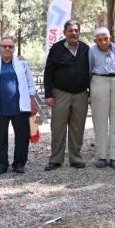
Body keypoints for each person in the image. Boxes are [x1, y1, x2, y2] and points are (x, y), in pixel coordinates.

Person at [0, 37, 35, 175]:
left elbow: (31, 85)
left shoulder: (22, 65)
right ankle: (0, 165)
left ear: (13, 49)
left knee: (22, 137)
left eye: (10, 47)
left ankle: (19, 163)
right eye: (4, 46)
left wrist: (33, 105)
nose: (7, 49)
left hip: (20, 108)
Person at [43, 20, 90, 171]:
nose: (74, 33)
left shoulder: (85, 48)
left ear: (79, 32)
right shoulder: (56, 49)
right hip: (60, 94)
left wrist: (91, 93)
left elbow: (90, 71)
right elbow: (48, 72)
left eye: (76, 31)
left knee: (78, 128)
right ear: (64, 32)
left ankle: (75, 158)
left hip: (81, 94)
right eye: (70, 31)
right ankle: (56, 159)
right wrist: (49, 95)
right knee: (58, 127)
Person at [89, 27, 115, 170]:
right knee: (100, 121)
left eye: (105, 38)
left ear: (110, 38)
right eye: (99, 40)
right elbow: (88, 70)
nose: (103, 42)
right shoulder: (92, 51)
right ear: (95, 41)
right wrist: (89, 93)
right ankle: (101, 156)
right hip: (99, 82)